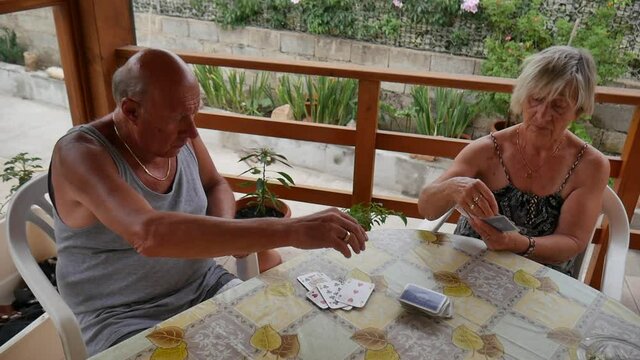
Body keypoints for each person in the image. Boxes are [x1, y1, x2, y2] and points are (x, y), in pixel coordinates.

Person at [49, 48, 367, 355]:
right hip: (122, 318)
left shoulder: (179, 132)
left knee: (291, 338)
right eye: (178, 118)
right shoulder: (80, 154)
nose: (192, 130)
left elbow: (215, 184)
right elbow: (149, 234)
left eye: (194, 112)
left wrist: (226, 230)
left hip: (205, 286)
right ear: (132, 110)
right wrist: (292, 231)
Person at [417, 46, 609, 276]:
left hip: (539, 277)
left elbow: (571, 241)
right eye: (536, 99)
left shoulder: (589, 165)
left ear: (577, 111)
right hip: (470, 264)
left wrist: (519, 244)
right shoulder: (487, 150)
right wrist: (452, 188)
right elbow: (427, 209)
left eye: (558, 106)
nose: (542, 114)